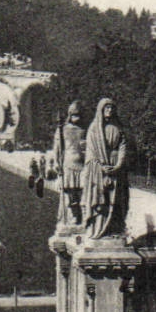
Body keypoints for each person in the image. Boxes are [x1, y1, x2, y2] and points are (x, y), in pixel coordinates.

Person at [82, 98, 132, 240]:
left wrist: (118, 165)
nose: (109, 110)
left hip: (116, 169)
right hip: (99, 169)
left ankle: (115, 229)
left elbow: (123, 146)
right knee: (101, 201)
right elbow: (91, 151)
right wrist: (101, 165)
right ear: (101, 110)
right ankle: (98, 229)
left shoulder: (118, 128)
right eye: (107, 108)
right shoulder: (94, 129)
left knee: (117, 201)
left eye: (111, 108)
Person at [51, 101, 87, 228]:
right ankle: (75, 216)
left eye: (79, 115)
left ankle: (83, 216)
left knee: (83, 192)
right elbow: (57, 148)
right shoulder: (62, 130)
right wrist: (56, 162)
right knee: (71, 193)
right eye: (74, 115)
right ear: (70, 115)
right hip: (68, 164)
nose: (76, 118)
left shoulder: (84, 130)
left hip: (82, 165)